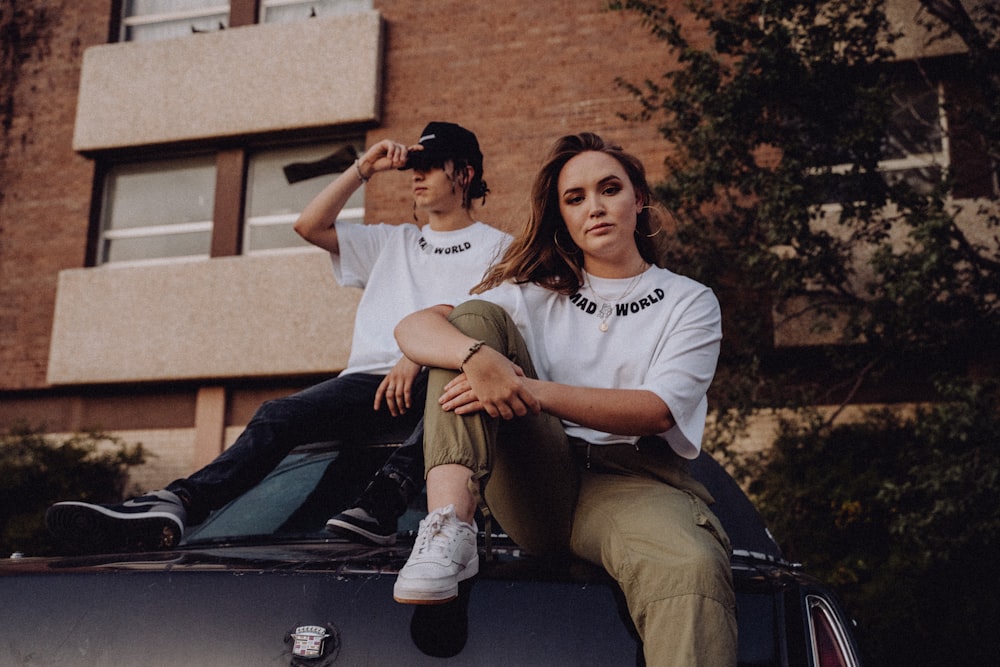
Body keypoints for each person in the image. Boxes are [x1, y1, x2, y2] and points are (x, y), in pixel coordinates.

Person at [46, 122, 511, 553]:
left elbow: (491, 323)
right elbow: (309, 226)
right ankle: (179, 503)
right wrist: (363, 168)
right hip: (367, 384)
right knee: (278, 413)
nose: (417, 175)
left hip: (442, 383)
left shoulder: (501, 249)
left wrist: (419, 351)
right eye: (414, 165)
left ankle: (382, 503)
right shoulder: (392, 243)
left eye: (430, 165)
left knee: (454, 384)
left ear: (465, 174)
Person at [390, 133, 737, 666]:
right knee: (474, 325)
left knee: (690, 563)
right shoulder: (532, 295)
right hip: (536, 481)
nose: (594, 207)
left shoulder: (688, 301)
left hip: (632, 485)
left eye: (609, 189)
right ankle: (447, 529)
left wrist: (526, 388)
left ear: (638, 199)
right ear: (562, 216)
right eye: (575, 198)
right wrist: (477, 358)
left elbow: (657, 409)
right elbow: (415, 327)